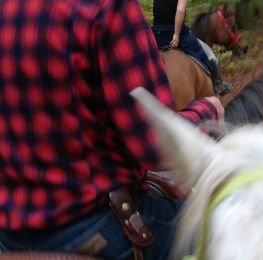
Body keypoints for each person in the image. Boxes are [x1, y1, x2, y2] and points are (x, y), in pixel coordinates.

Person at [0, 0, 223, 259]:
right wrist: (207, 112)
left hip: (8, 235)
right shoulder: (106, 6)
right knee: (224, 228)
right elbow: (156, 148)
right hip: (97, 226)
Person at [152, 0, 232, 95]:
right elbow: (180, 10)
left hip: (156, 33)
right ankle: (217, 83)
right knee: (206, 52)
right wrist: (176, 34)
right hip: (175, 33)